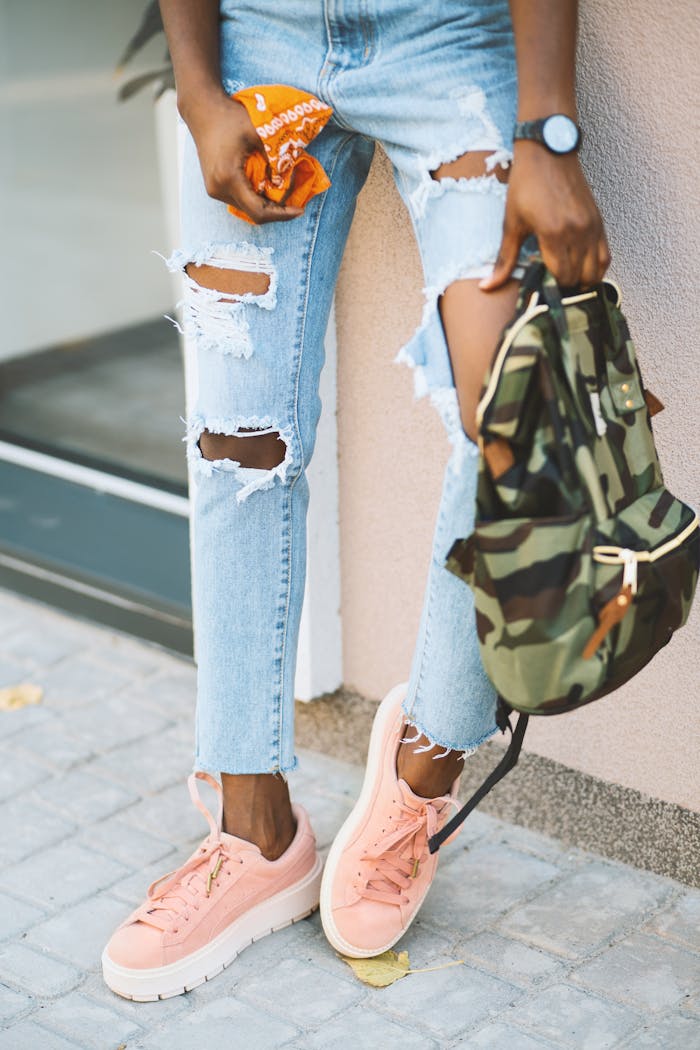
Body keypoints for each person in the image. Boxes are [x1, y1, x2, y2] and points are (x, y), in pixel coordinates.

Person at [102, 0, 609, 999]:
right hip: (260, 35)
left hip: (447, 35)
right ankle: (253, 833)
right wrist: (198, 90)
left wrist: (548, 129)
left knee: (513, 414)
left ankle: (425, 766)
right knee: (236, 445)